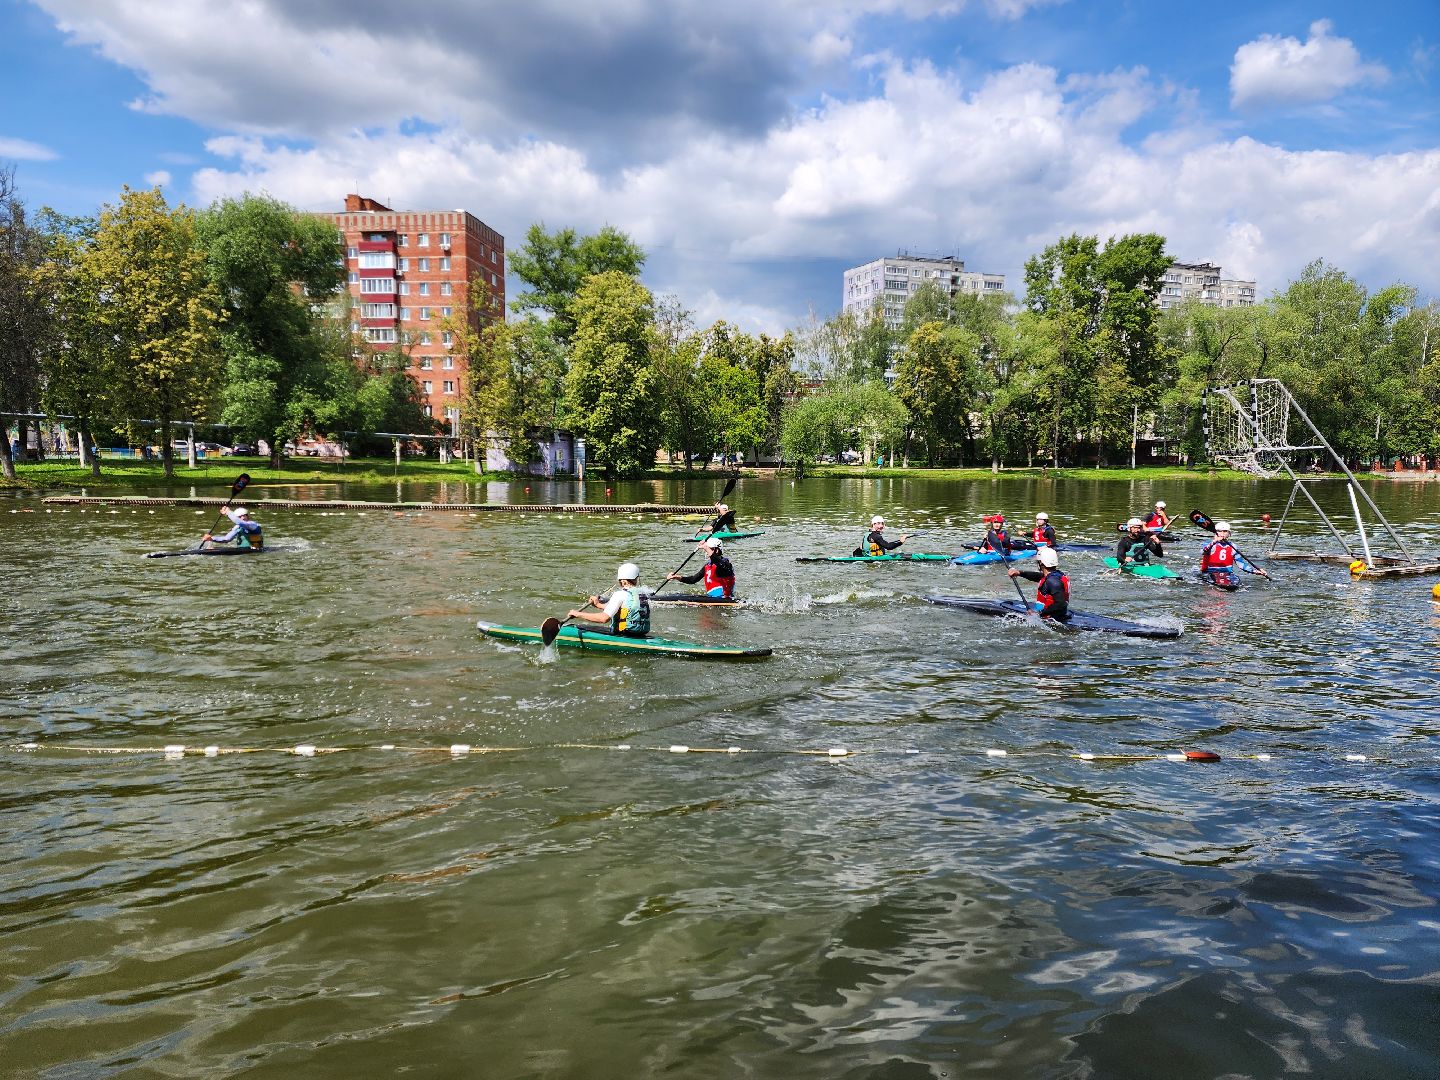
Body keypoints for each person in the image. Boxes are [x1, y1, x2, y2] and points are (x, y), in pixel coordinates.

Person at [568, 562, 653, 637]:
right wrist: (598, 605)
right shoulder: (642, 593)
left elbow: (603, 618)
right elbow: (623, 607)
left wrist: (577, 614)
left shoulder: (620, 594)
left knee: (576, 627)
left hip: (624, 634)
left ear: (621, 580)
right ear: (636, 579)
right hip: (641, 633)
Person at [1009, 546, 1070, 621]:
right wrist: (1019, 573)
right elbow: (1040, 577)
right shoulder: (1055, 575)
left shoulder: (1053, 581)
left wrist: (1038, 614)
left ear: (1041, 563)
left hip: (1052, 619)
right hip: (1053, 615)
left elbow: (1061, 604)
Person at [668, 537, 736, 598]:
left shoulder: (726, 565)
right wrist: (676, 577)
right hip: (711, 598)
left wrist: (706, 547)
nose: (706, 552)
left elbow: (718, 562)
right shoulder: (708, 566)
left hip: (724, 599)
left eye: (709, 549)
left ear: (717, 550)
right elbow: (693, 579)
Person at [1200, 521, 1270, 579]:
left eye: (1225, 531)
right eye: (1219, 531)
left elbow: (1241, 564)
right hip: (1209, 573)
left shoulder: (1233, 546)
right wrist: (1214, 541)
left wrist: (1254, 571)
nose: (1222, 533)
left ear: (1229, 534)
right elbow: (1203, 551)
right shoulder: (1209, 544)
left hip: (1227, 574)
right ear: (1215, 533)